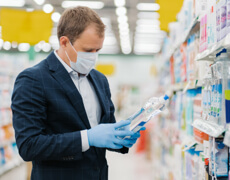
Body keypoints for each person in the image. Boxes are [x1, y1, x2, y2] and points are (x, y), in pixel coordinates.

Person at [11, 6, 145, 180]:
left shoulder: (100, 80)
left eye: (98, 50)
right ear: (64, 42)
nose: (94, 56)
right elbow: (29, 146)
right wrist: (87, 138)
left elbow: (104, 132)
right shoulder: (33, 80)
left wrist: (120, 138)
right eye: (88, 50)